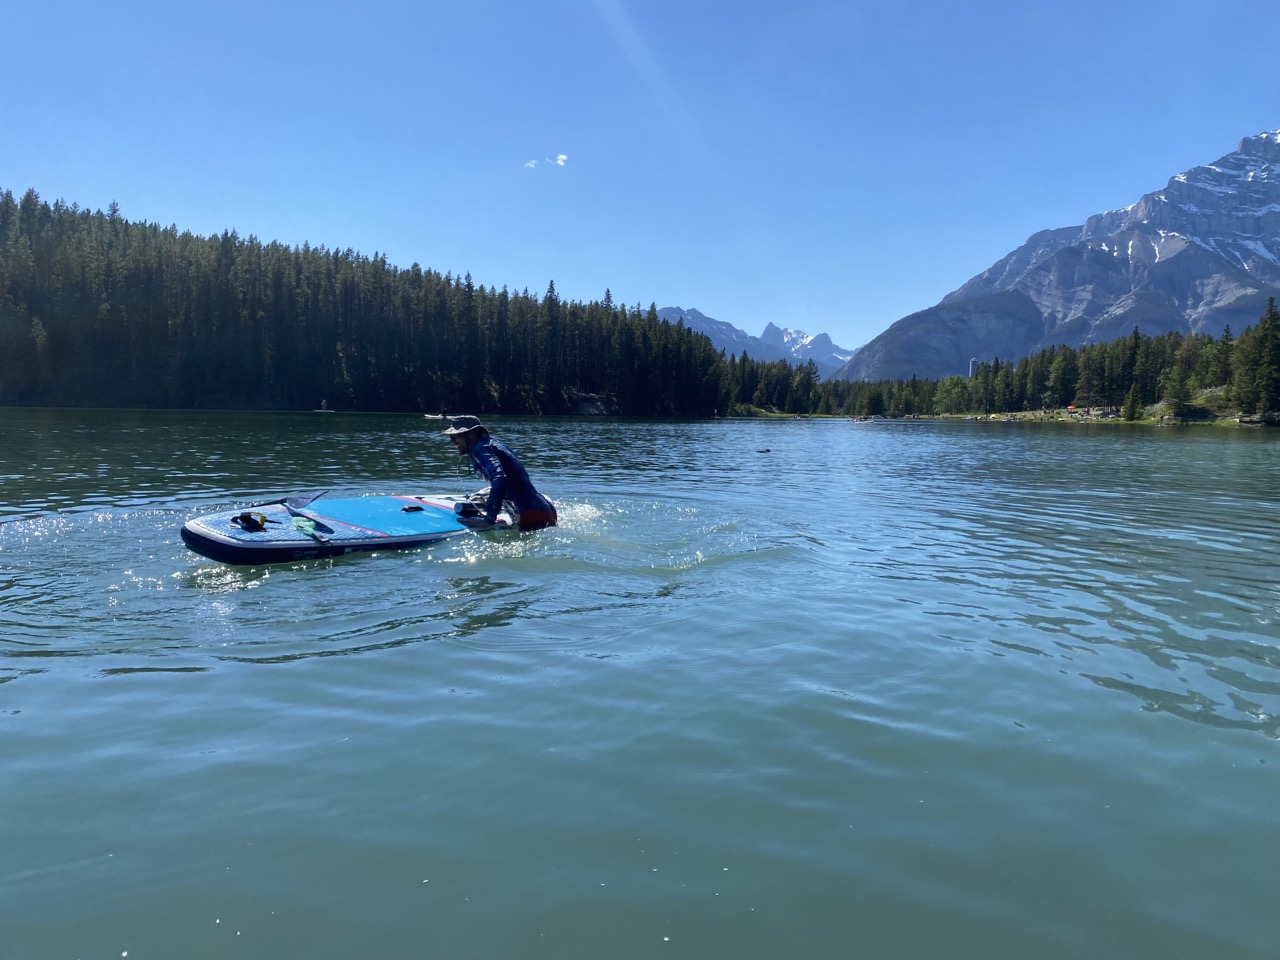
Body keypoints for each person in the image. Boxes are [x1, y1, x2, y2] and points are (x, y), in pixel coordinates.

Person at [441, 416, 557, 531]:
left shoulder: (480, 448)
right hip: (542, 508)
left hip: (530, 512)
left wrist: (489, 519)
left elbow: (500, 478)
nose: (452, 442)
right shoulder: (493, 444)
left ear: (471, 434)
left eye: (455, 436)